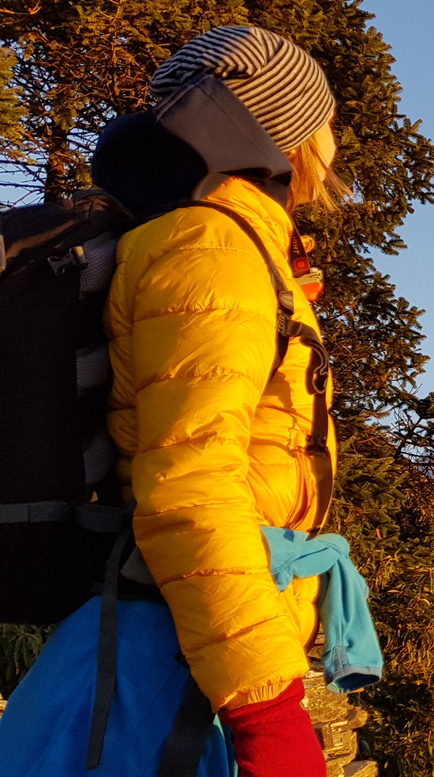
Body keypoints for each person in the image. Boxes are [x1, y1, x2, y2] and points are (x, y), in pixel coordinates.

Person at [0, 25, 348, 777]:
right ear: (288, 133)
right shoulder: (211, 247)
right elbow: (191, 485)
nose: (331, 150)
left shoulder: (231, 245)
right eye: (322, 127)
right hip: (167, 671)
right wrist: (267, 710)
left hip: (192, 645)